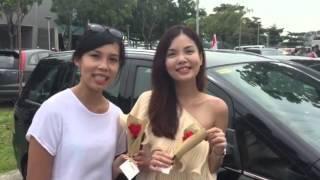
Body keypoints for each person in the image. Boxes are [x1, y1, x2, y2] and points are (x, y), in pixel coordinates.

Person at [26, 23, 127, 180]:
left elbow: (103, 172)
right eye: (95, 56)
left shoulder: (117, 116)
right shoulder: (53, 111)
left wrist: (120, 166)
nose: (104, 66)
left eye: (112, 59)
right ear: (78, 60)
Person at [129, 25, 228, 180]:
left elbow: (211, 168)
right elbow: (126, 164)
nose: (182, 59)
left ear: (200, 58)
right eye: (172, 54)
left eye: (189, 51)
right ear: (164, 62)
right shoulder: (147, 101)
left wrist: (218, 151)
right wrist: (146, 163)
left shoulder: (218, 108)